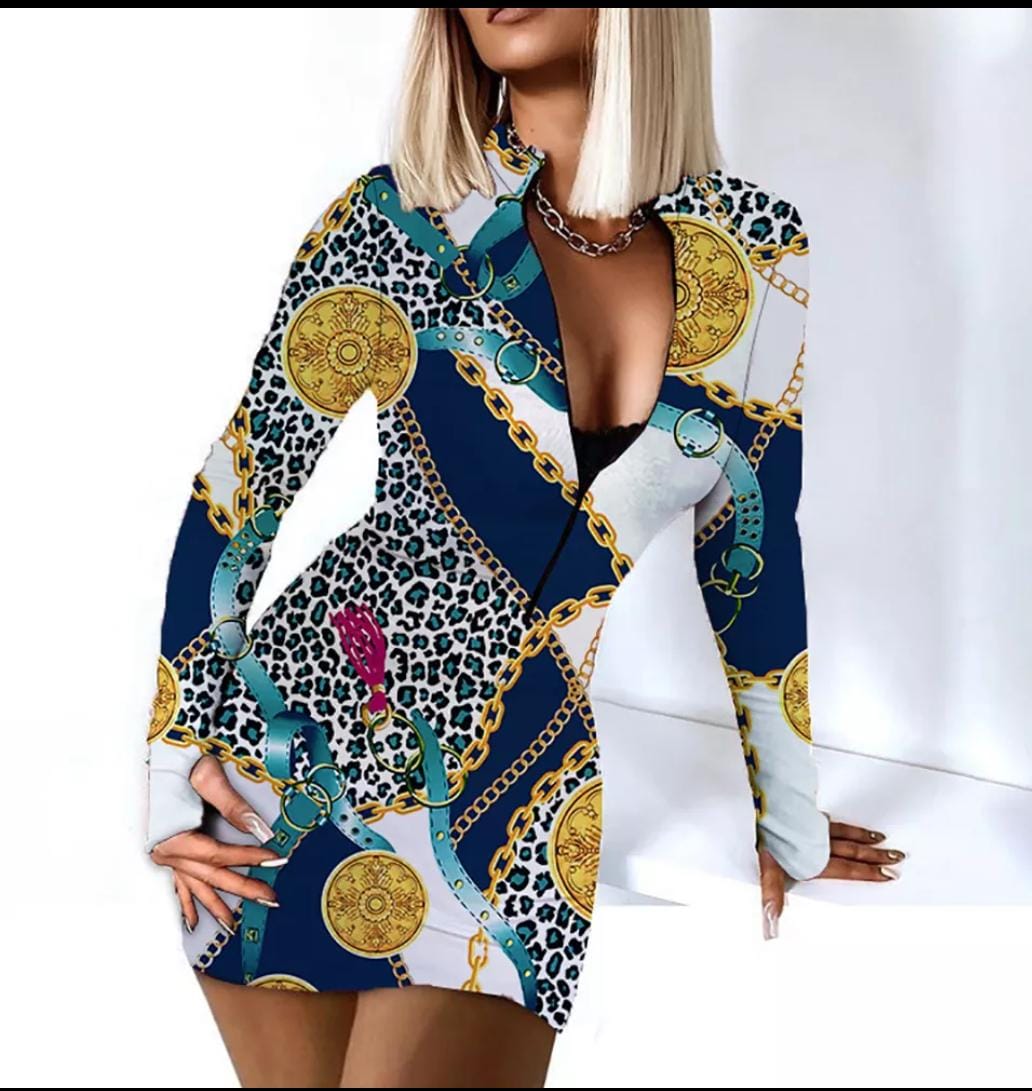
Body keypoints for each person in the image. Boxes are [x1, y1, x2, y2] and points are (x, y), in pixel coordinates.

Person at [144, 8, 905, 1088]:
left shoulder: (756, 253)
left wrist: (788, 818)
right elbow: (240, 488)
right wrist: (170, 763)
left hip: (519, 796)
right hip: (289, 754)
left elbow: (752, 548)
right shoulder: (395, 221)